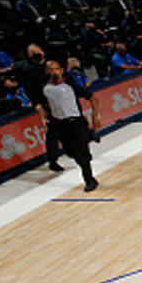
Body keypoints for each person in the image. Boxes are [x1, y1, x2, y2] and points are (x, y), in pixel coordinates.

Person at [41, 59, 100, 191]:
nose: (54, 72)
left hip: (76, 122)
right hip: (60, 124)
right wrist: (43, 117)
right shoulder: (45, 88)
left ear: (61, 70)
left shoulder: (70, 85)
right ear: (46, 72)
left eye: (56, 68)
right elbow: (43, 105)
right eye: (51, 69)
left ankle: (89, 180)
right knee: (70, 152)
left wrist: (95, 117)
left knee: (83, 154)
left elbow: (92, 98)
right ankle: (90, 135)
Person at [16, 44, 62, 171]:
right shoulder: (28, 70)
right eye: (33, 53)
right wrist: (38, 105)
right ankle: (53, 161)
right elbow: (30, 90)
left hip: (59, 102)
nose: (36, 54)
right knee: (52, 133)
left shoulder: (50, 66)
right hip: (45, 105)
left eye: (38, 51)